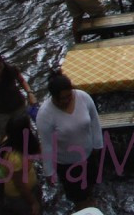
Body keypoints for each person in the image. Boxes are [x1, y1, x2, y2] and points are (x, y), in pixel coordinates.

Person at [36, 70, 103, 210]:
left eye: (69, 96)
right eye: (62, 99)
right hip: (67, 163)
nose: (66, 100)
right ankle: (83, 208)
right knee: (77, 195)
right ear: (53, 97)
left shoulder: (83, 97)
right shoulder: (45, 114)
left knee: (91, 183)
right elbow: (47, 144)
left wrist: (98, 144)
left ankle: (90, 201)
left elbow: (95, 122)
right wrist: (49, 171)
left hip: (88, 154)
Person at [0, 52, 36, 139]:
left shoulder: (10, 70)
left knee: (26, 131)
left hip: (18, 106)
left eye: (0, 67)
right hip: (1, 112)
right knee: (6, 136)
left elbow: (22, 81)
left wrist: (29, 93)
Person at [0, 112, 42, 215]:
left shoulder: (8, 140)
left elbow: (37, 151)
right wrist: (33, 202)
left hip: (29, 186)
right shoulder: (15, 159)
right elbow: (20, 185)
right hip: (19, 196)